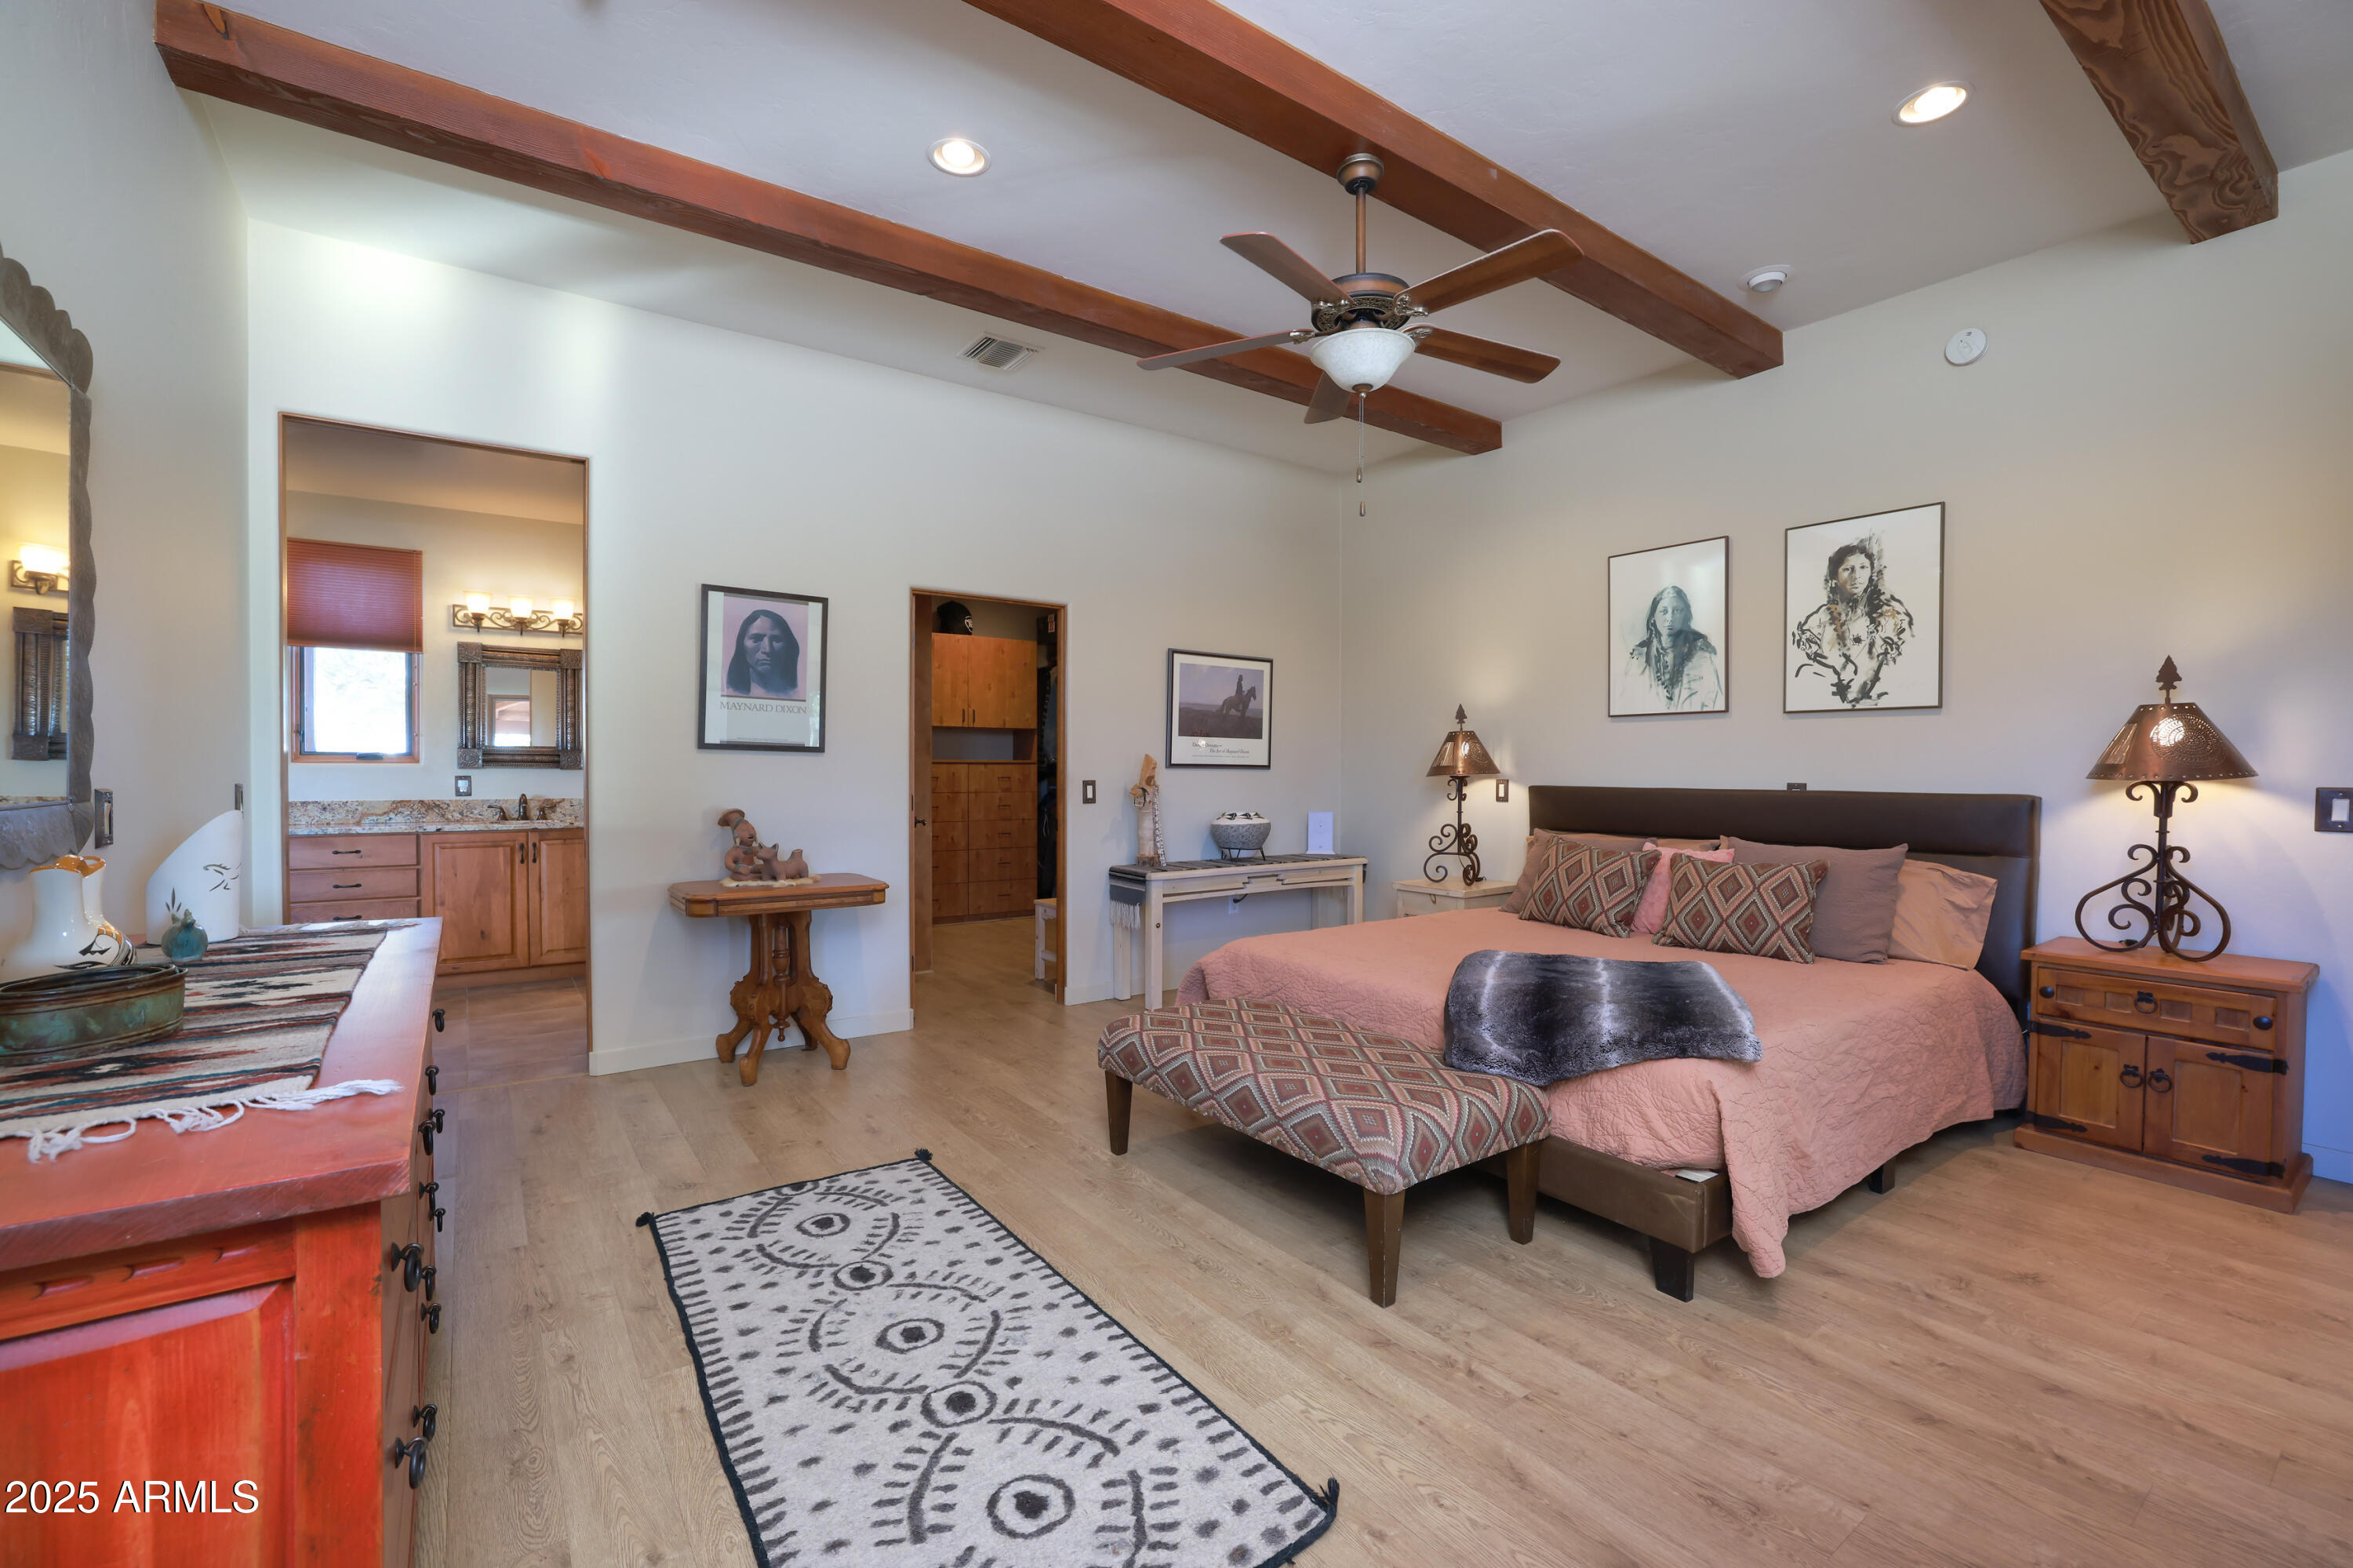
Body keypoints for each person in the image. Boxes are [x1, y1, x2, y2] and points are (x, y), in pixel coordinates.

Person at [1791, 540, 1913, 707]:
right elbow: (1804, 672)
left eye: (1863, 568)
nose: (1857, 576)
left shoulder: (1891, 614)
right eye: (1848, 569)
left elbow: (1905, 668)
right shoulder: (1819, 620)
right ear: (1835, 576)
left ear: (1871, 572)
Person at [1619, 584, 1722, 712]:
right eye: (1664, 611)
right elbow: (1626, 703)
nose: (1670, 618)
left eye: (1678, 611)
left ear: (1686, 616)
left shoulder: (1702, 657)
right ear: (1653, 618)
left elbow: (1714, 702)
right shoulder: (1638, 659)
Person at [725, 606, 800, 697]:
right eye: (756, 639)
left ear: (789, 647)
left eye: (776, 640)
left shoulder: (798, 695)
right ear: (741, 645)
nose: (768, 649)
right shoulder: (729, 695)